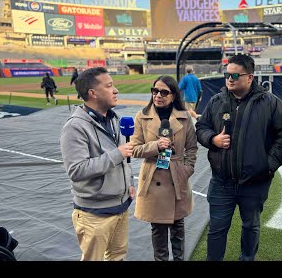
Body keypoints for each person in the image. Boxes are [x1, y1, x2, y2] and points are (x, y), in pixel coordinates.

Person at [196, 54, 282, 261]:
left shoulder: (270, 102)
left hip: (254, 182)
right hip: (221, 182)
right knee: (216, 229)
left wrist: (268, 165)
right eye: (227, 74)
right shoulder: (216, 101)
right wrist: (212, 139)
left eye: (235, 75)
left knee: (251, 227)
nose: (230, 79)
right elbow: (201, 127)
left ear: (250, 77)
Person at [60, 67, 135, 261]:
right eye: (109, 86)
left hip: (121, 206)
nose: (115, 90)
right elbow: (76, 170)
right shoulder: (75, 126)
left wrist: (130, 182)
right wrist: (116, 155)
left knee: (118, 255)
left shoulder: (113, 118)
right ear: (93, 93)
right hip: (94, 213)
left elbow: (124, 156)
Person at [131, 75, 197, 261]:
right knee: (158, 232)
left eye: (163, 92)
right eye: (154, 91)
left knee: (178, 229)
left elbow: (192, 147)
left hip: (177, 178)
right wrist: (155, 146)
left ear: (174, 95)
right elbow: (134, 149)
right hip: (153, 179)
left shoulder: (184, 118)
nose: (158, 95)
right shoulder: (142, 116)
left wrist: (187, 169)